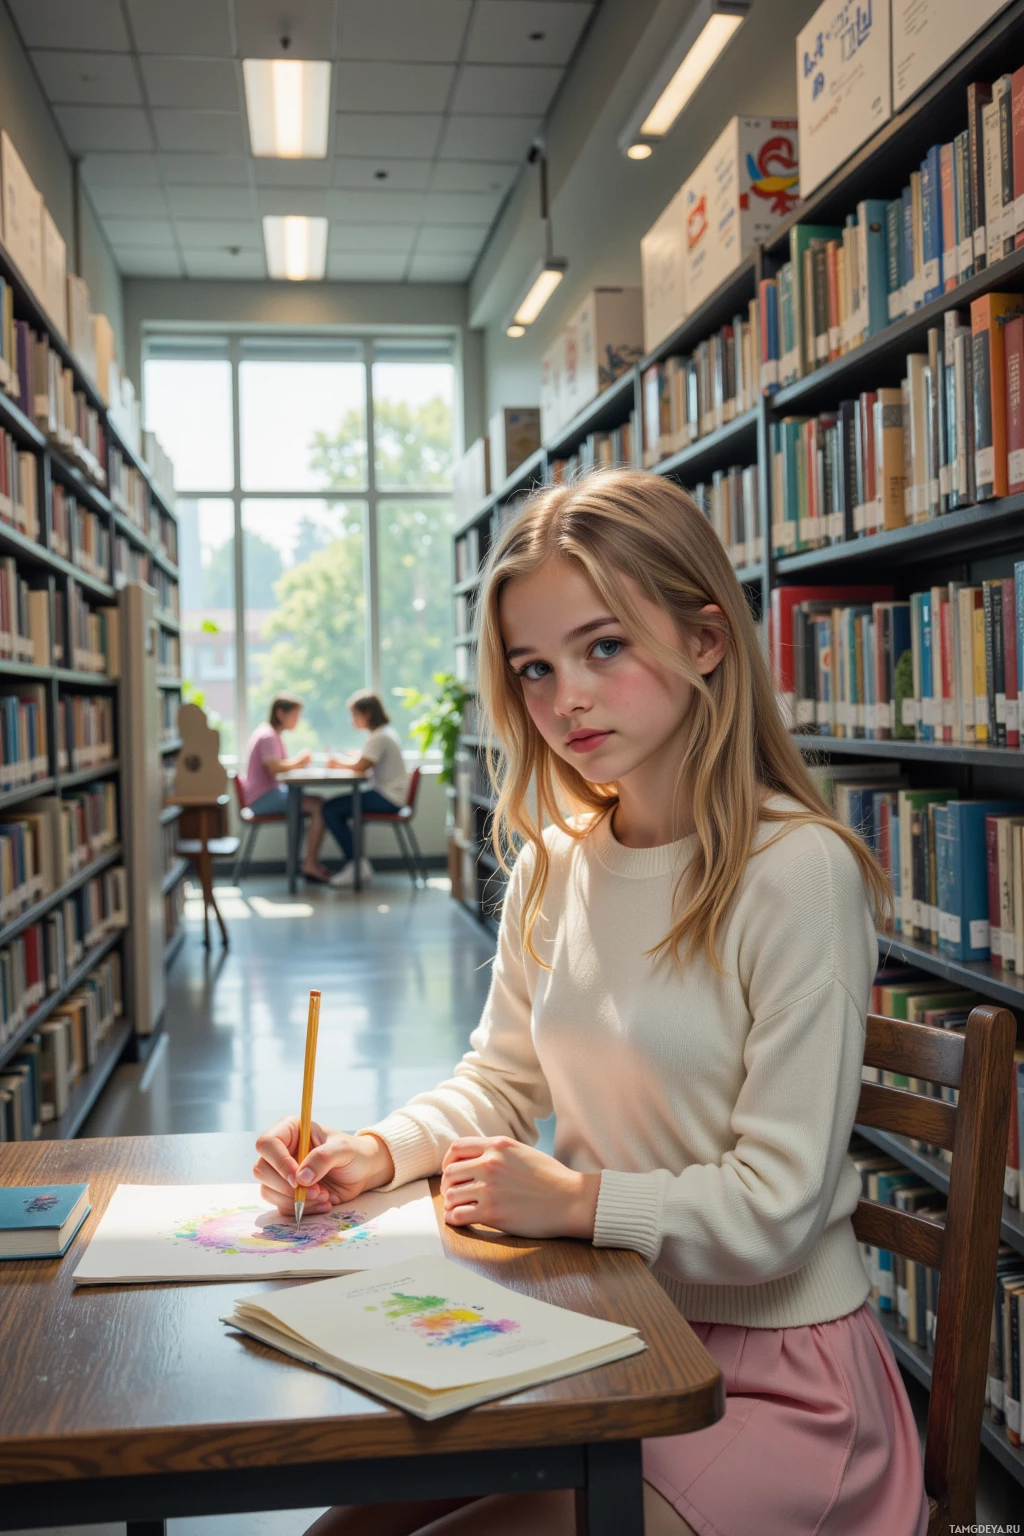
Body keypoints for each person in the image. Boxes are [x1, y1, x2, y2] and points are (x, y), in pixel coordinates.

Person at [253, 470, 929, 1536]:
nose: (565, 698)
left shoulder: (796, 872)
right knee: (340, 1533)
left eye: (603, 647)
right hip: (604, 1328)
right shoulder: (554, 863)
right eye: (534, 667)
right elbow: (503, 1079)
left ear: (707, 642)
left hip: (772, 1383)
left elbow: (778, 1208)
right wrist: (378, 1152)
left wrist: (574, 1203)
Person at [240, 692, 332, 883]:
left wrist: (297, 764)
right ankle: (309, 863)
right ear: (281, 713)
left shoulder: (272, 734)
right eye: (295, 716)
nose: (297, 721)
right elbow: (274, 768)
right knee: (319, 807)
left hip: (270, 793)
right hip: (262, 798)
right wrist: (299, 761)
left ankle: (308, 862)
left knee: (316, 802)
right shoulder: (268, 735)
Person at [322, 691, 409, 889]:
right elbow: (366, 761)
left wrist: (336, 763)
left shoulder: (379, 737)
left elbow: (361, 766)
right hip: (389, 794)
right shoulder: (384, 732)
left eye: (354, 715)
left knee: (329, 809)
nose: (352, 720)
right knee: (333, 808)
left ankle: (357, 865)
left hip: (387, 797)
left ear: (367, 713)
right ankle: (358, 863)